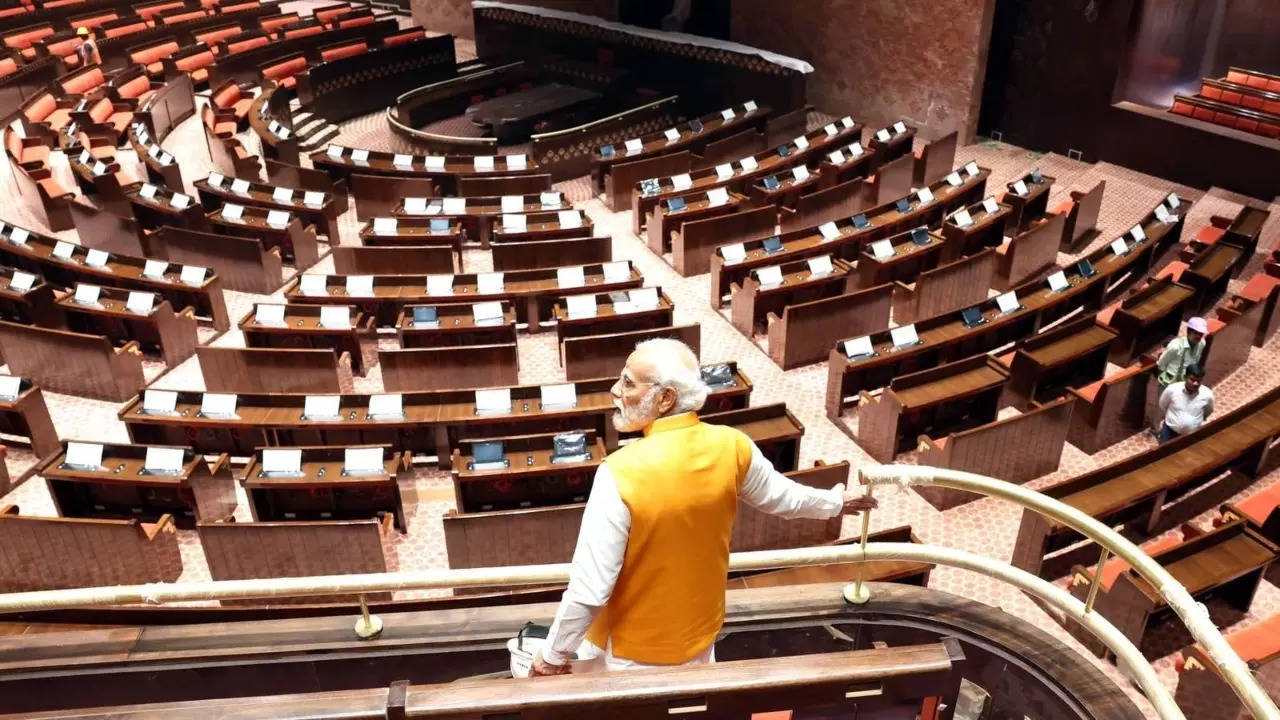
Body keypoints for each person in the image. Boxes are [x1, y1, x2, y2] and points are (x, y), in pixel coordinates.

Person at [529, 339, 877, 676]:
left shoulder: (618, 472)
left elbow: (590, 588)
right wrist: (835, 502)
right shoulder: (732, 445)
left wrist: (553, 654)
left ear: (665, 398)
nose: (615, 391)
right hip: (702, 637)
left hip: (634, 652)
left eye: (628, 382)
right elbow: (783, 497)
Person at [1152, 316, 1207, 435]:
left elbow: (1196, 359)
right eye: (1196, 333)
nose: (1199, 336)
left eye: (1201, 334)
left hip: (1185, 382)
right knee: (1161, 406)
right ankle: (1155, 429)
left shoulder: (1202, 343)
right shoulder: (1175, 346)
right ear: (1189, 332)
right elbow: (1161, 363)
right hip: (1169, 381)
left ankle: (1171, 427)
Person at [1157, 364, 1213, 443]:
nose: (1195, 384)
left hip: (1191, 435)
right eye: (1192, 380)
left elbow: (1208, 411)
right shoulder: (1172, 389)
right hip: (1169, 431)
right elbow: (1163, 405)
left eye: (1199, 381)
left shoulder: (1207, 394)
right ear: (1185, 377)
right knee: (1163, 453)